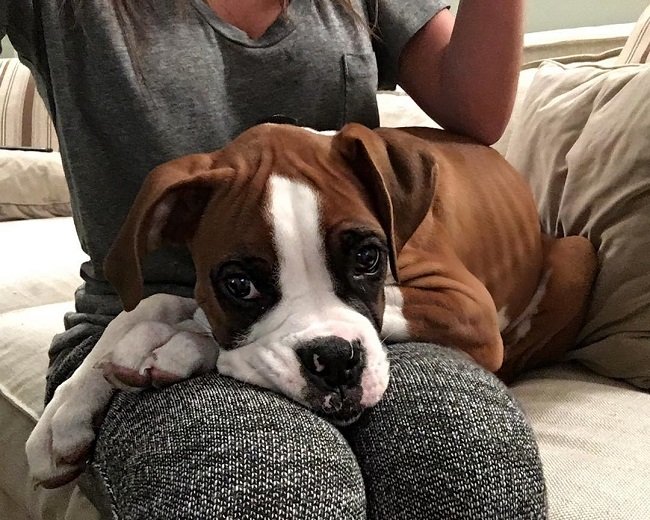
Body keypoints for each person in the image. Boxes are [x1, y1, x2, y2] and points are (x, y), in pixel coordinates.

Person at [4, 0, 547, 518]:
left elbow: (477, 109)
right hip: (140, 344)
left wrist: (200, 330)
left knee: (472, 464)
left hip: (365, 321)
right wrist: (179, 317)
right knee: (268, 490)